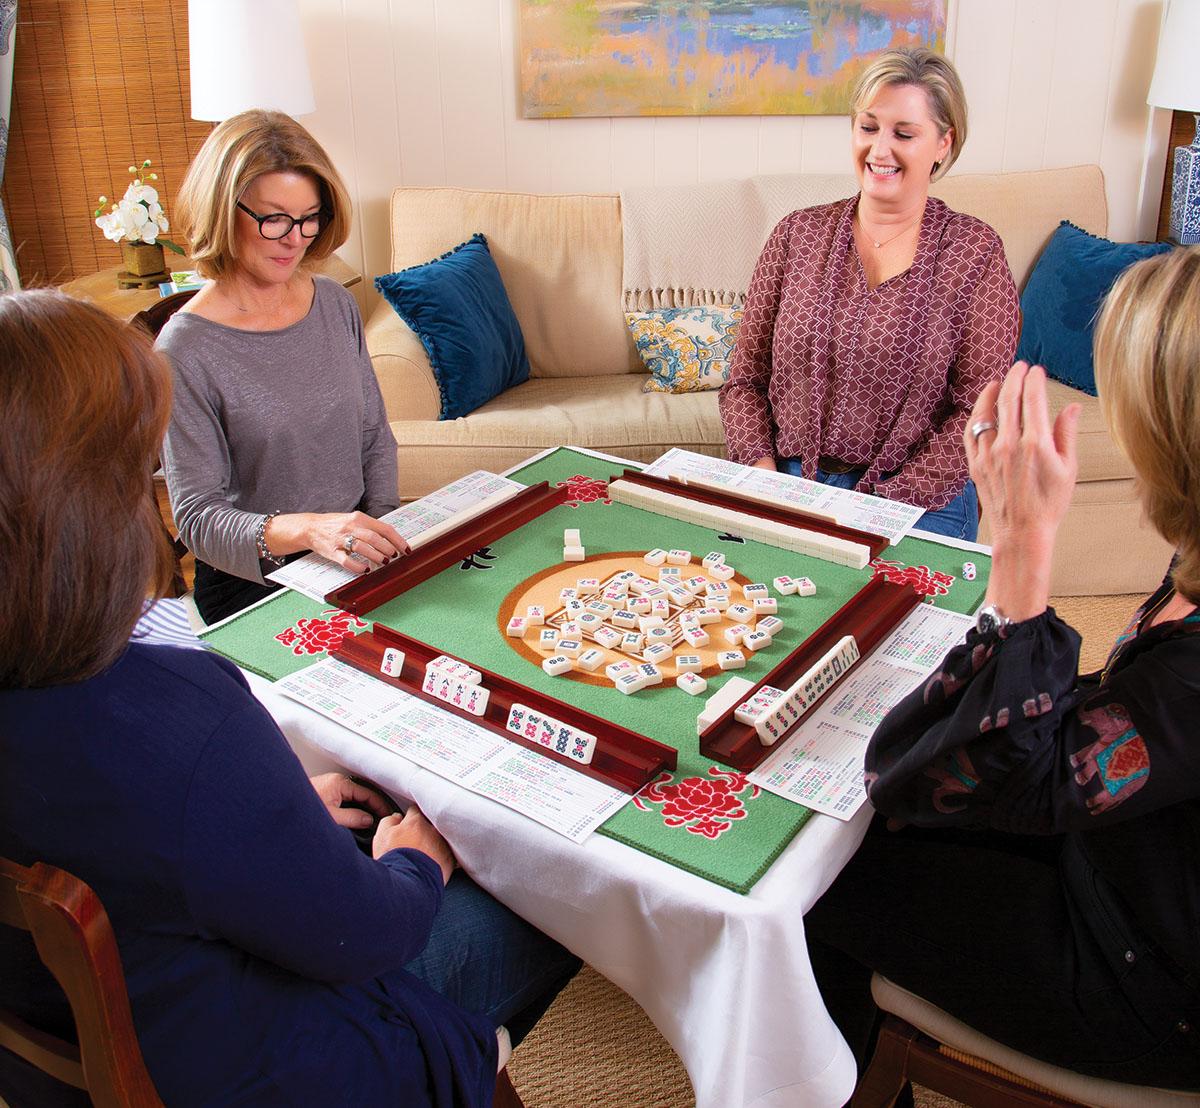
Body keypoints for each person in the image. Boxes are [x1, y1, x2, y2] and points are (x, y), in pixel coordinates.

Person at [0, 290, 578, 1107]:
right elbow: (368, 933)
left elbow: (142, 840)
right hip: (263, 1069)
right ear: (89, 509)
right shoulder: (183, 711)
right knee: (540, 892)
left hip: (86, 1042)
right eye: (145, 473)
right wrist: (414, 862)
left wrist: (265, 807)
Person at [805, 247, 1200, 1092]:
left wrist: (1019, 550)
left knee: (821, 884)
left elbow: (1002, 783)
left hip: (1146, 977)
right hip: (1124, 855)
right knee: (868, 817)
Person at [719, 47, 1019, 541]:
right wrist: (763, 476)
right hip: (790, 482)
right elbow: (744, 381)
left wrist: (878, 508)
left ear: (944, 143)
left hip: (921, 497)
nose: (880, 150)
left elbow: (982, 408)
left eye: (904, 133)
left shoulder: (974, 251)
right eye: (868, 127)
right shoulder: (797, 235)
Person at [160, 110, 407, 624]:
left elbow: (373, 435)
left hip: (354, 556)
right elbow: (199, 520)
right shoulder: (184, 349)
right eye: (274, 219)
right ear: (223, 211)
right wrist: (313, 531)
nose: (295, 239)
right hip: (254, 579)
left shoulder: (334, 302)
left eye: (310, 218)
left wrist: (380, 530)